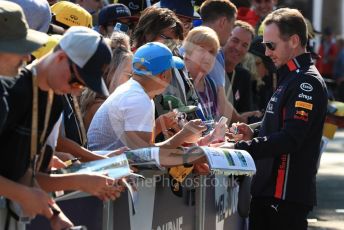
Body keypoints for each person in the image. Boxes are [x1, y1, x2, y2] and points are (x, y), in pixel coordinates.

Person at [0, 26, 124, 229]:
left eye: (83, 86)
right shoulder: (12, 91)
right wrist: (79, 180)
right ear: (60, 57)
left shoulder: (53, 101)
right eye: (76, 81)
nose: (75, 91)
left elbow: (27, 175)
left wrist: (55, 216)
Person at [228, 8, 328, 230]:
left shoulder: (305, 82)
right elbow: (280, 127)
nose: (266, 51)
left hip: (284, 197)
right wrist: (253, 133)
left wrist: (241, 147)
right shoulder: (290, 76)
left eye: (271, 45)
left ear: (293, 41)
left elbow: (291, 138)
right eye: (264, 45)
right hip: (269, 193)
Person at [88, 42, 206, 151]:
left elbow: (142, 146)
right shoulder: (138, 98)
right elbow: (145, 156)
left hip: (110, 165)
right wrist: (183, 135)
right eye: (171, 70)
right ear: (163, 75)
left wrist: (159, 126)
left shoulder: (136, 91)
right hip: (109, 169)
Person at [80, 31, 133, 130]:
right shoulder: (101, 108)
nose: (131, 81)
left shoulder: (101, 102)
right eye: (129, 75)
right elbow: (134, 144)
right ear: (111, 72)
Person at [223, 20, 255, 113]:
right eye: (235, 40)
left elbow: (245, 113)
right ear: (225, 38)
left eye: (245, 45)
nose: (238, 48)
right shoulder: (210, 68)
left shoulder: (243, 76)